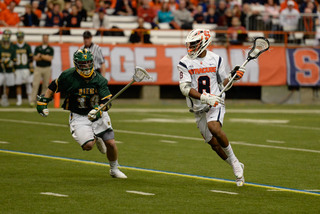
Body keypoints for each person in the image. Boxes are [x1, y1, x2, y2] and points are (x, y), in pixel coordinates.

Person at [36, 48, 127, 179]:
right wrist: (43, 102)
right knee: (88, 146)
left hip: (98, 114)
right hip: (79, 115)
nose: (86, 66)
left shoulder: (99, 79)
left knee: (111, 143)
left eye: (88, 63)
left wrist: (99, 109)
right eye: (83, 63)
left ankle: (114, 169)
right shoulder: (68, 76)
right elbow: (53, 86)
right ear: (76, 64)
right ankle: (97, 137)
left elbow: (107, 101)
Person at [177, 29, 245, 186]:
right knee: (214, 145)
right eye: (190, 44)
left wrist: (234, 78)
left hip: (216, 102)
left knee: (213, 127)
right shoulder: (184, 62)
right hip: (199, 107)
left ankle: (234, 162)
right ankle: (235, 164)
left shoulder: (216, 59)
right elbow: (185, 89)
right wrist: (203, 97)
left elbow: (223, 85)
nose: (191, 47)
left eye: (195, 44)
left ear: (204, 43)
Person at [30, 34, 54, 106]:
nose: (45, 39)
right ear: (42, 39)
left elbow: (50, 58)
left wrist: (41, 56)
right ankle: (32, 100)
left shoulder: (50, 48)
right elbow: (35, 58)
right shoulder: (38, 48)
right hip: (38, 67)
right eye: (44, 38)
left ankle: (41, 99)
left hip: (47, 68)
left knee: (46, 85)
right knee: (35, 84)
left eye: (46, 38)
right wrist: (45, 56)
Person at [14, 31, 34, 106]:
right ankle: (19, 100)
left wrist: (31, 67)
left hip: (26, 68)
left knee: (28, 84)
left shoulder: (27, 46)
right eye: (19, 37)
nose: (20, 38)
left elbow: (31, 58)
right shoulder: (14, 46)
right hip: (18, 68)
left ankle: (30, 100)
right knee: (18, 84)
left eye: (21, 37)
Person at [0, 33, 16, 107]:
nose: (6, 43)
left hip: (9, 71)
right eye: (4, 41)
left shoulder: (12, 49)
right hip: (1, 70)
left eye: (7, 41)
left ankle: (5, 98)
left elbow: (14, 61)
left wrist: (10, 63)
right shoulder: (0, 48)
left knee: (7, 85)